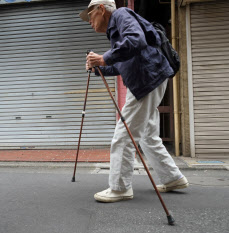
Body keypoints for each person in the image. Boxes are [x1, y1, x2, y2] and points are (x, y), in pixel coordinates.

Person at [79, 0, 189, 203]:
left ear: (101, 9)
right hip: (149, 78)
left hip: (146, 80)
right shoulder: (114, 30)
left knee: (123, 134)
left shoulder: (121, 15)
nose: (89, 21)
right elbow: (122, 65)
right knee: (148, 136)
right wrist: (98, 68)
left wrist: (103, 58)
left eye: (90, 15)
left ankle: (120, 188)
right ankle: (173, 178)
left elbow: (136, 40)